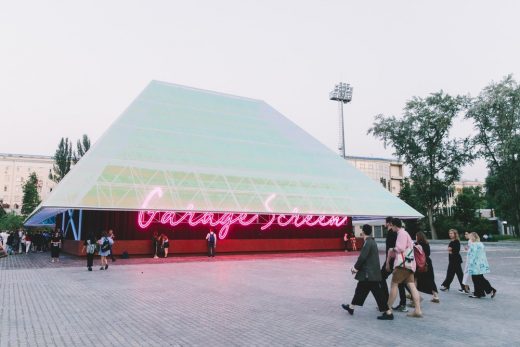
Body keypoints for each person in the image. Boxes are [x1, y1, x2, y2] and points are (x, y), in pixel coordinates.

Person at [341, 225, 391, 319]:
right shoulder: (372, 241)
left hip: (368, 274)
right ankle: (351, 307)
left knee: (377, 294)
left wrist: (355, 268)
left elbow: (362, 257)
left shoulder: (368, 242)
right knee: (360, 290)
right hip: (371, 274)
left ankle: (388, 313)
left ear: (363, 232)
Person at [385, 218, 423, 318]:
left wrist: (392, 249)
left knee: (394, 285)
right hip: (409, 264)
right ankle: (418, 310)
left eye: (391, 225)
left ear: (394, 225)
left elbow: (400, 248)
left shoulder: (401, 234)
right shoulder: (406, 233)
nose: (390, 227)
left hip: (402, 265)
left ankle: (388, 309)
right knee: (412, 286)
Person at [380, 217, 408, 313]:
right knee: (400, 282)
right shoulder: (396, 233)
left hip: (392, 260)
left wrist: (387, 263)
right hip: (395, 260)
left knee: (381, 277)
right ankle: (403, 303)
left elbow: (391, 249)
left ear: (389, 223)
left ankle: (387, 302)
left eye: (385, 222)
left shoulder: (391, 233)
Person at [467, 232, 497, 298]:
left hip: (475, 264)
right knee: (480, 278)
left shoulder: (474, 244)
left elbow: (473, 255)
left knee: (476, 278)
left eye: (471, 237)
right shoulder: (480, 244)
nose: (470, 238)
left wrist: (470, 263)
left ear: (474, 237)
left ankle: (484, 292)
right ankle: (481, 292)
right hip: (481, 264)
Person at [414, 232, 440, 303]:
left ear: (418, 237)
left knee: (415, 279)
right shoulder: (426, 243)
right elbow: (428, 253)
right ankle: (436, 296)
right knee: (430, 279)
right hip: (428, 263)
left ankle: (416, 297)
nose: (415, 238)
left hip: (419, 264)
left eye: (416, 236)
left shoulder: (416, 244)